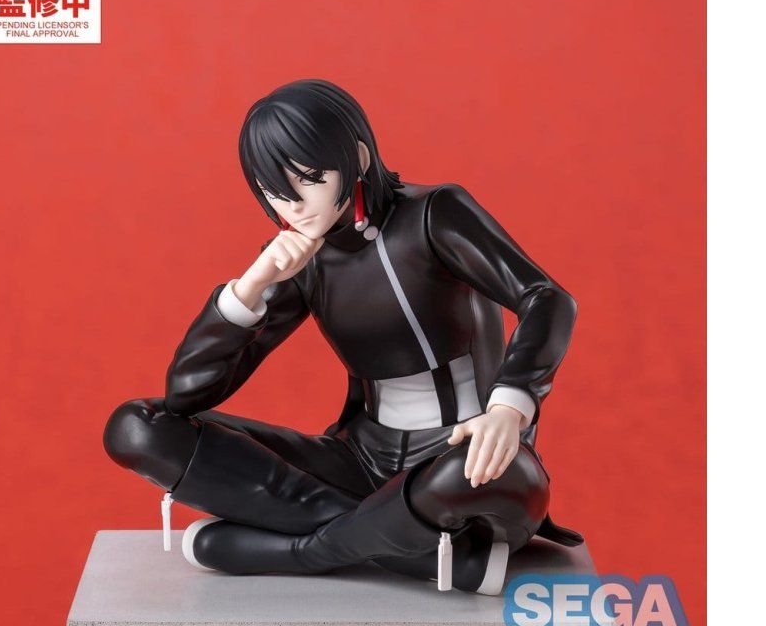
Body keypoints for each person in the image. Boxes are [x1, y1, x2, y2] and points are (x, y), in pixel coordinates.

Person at [103, 79, 582, 596]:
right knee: (137, 429)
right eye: (274, 190)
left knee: (468, 475)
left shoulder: (435, 213)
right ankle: (418, 554)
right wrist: (249, 287)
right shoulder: (299, 259)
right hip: (363, 463)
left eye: (309, 179)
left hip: (468, 462)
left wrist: (510, 408)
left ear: (357, 157)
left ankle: (303, 553)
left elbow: (546, 297)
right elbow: (185, 396)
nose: (294, 206)